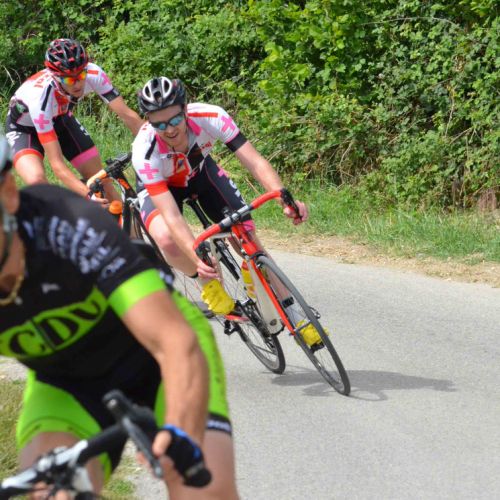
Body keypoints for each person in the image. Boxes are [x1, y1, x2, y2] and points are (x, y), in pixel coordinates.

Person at [0, 134, 239, 500]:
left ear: (8, 193)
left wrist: (181, 430)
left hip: (160, 357)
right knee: (56, 492)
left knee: (201, 490)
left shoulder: (64, 224)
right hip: (66, 387)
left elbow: (174, 342)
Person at [131, 76, 310, 320]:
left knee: (246, 235)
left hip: (199, 172)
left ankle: (293, 311)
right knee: (166, 239)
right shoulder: (144, 151)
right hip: (163, 188)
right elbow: (171, 216)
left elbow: (255, 162)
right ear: (148, 121)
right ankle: (208, 283)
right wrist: (194, 253)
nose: (170, 129)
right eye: (160, 124)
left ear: (185, 109)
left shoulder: (210, 116)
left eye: (174, 120)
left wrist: (285, 200)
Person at [5, 38, 143, 205]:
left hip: (60, 119)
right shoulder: (40, 99)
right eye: (69, 79)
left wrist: (156, 144)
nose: (78, 83)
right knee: (38, 183)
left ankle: (125, 223)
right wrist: (88, 195)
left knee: (102, 181)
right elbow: (57, 165)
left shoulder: (95, 74)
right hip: (24, 129)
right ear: (56, 77)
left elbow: (128, 116)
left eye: (81, 75)